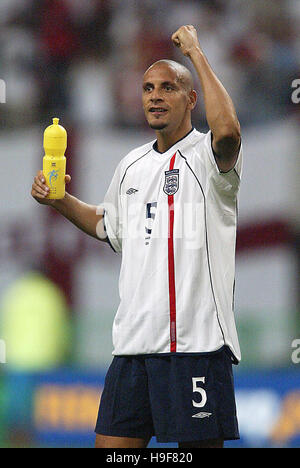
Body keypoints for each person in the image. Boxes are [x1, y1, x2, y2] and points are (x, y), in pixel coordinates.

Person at [31, 25, 242, 448]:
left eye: (168, 87)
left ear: (190, 99)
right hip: (132, 348)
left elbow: (229, 132)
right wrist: (60, 201)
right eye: (148, 88)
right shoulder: (131, 165)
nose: (155, 95)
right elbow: (106, 226)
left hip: (195, 345)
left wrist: (196, 53)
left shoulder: (208, 157)